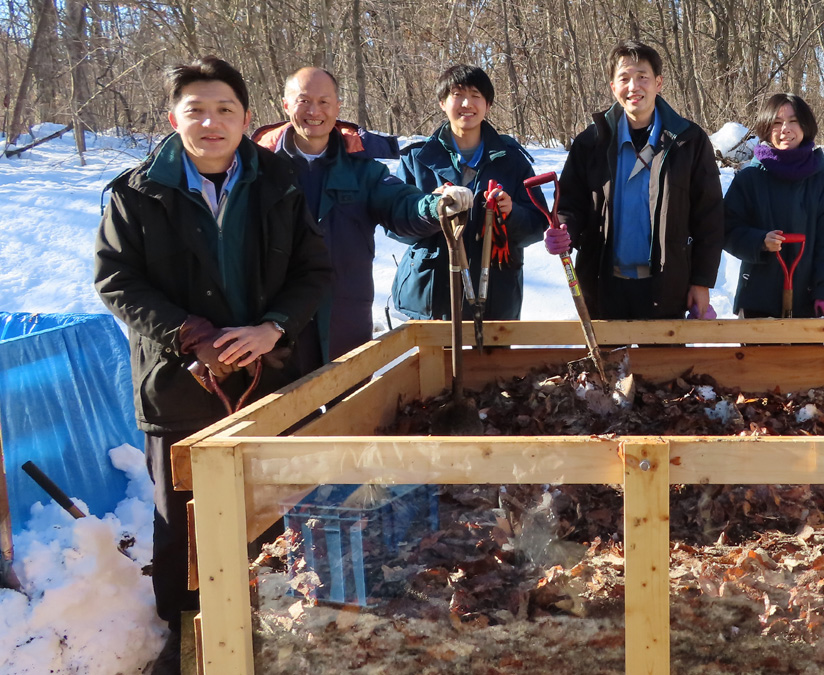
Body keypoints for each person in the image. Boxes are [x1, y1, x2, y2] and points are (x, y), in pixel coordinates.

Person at [93, 56, 333, 674]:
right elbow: (116, 280)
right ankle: (186, 636)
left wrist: (271, 328)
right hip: (178, 385)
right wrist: (188, 334)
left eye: (225, 109)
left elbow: (315, 271)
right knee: (182, 522)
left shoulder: (277, 183)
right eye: (196, 110)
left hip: (265, 378)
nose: (211, 122)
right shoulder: (137, 191)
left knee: (268, 507)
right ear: (173, 119)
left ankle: (269, 622)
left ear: (247, 119)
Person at [252, 67, 470, 368]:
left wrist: (435, 206)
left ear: (338, 107)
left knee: (353, 409)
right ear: (286, 105)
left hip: (346, 317)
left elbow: (402, 205)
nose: (314, 111)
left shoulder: (362, 169)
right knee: (290, 412)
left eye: (324, 102)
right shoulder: (257, 170)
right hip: (277, 324)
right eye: (304, 101)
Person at [547, 40, 723, 320]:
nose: (634, 86)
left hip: (668, 286)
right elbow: (571, 203)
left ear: (659, 83)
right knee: (608, 364)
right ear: (612, 86)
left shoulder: (688, 141)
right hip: (602, 285)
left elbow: (709, 215)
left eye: (643, 77)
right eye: (624, 78)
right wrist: (564, 228)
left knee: (665, 365)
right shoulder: (591, 142)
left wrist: (701, 281)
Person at [388, 64, 546, 322]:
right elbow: (394, 224)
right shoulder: (416, 159)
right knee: (431, 363)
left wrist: (511, 213)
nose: (467, 103)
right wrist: (431, 209)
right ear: (442, 102)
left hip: (495, 297)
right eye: (457, 94)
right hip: (432, 296)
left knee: (492, 363)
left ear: (488, 104)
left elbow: (538, 226)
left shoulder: (513, 161)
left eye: (476, 95)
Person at [723, 93, 824, 318]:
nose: (785, 129)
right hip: (757, 299)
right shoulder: (750, 178)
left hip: (809, 302)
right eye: (777, 123)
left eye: (793, 121)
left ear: (805, 125)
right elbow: (726, 229)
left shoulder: (823, 180)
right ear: (766, 127)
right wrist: (759, 241)